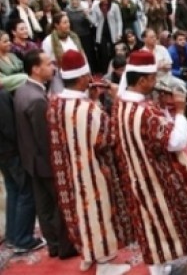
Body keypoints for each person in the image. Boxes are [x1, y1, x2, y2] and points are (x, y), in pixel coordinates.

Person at [112, 50, 187, 275]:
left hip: (137, 177)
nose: (156, 83)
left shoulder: (120, 104)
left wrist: (163, 109)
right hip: (160, 176)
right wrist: (179, 111)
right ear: (141, 81)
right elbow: (175, 142)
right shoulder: (144, 111)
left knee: (151, 227)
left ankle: (158, 269)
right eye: (152, 79)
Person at [46, 50, 131, 273]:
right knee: (98, 212)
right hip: (92, 171)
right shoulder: (89, 109)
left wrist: (92, 99)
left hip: (68, 171)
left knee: (78, 213)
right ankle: (104, 263)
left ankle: (88, 254)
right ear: (83, 78)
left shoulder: (55, 104)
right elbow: (108, 137)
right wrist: (112, 100)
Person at [13, 49, 77, 259]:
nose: (53, 67)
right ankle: (64, 247)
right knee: (58, 206)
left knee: (44, 206)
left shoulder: (23, 90)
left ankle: (54, 245)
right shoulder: (37, 100)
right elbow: (45, 139)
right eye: (48, 64)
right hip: (45, 161)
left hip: (31, 160)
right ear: (35, 68)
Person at [0, 78, 45, 255]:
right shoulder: (2, 95)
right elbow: (9, 128)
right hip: (11, 152)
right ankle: (23, 238)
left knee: (14, 192)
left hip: (3, 152)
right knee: (26, 192)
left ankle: (13, 235)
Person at [90, 0, 123, 74]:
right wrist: (87, 15)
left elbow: (119, 20)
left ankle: (116, 69)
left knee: (114, 51)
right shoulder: (96, 7)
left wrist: (119, 33)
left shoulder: (114, 6)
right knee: (103, 52)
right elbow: (94, 21)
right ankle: (105, 71)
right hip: (101, 32)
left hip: (113, 31)